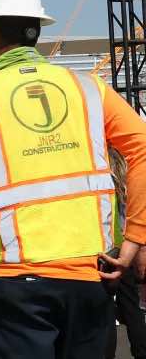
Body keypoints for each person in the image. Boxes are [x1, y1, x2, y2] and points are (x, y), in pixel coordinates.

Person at [0, 0, 146, 359]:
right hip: (91, 273)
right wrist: (133, 240)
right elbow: (142, 151)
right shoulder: (89, 89)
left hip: (14, 278)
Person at [104, 148, 146, 359]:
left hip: (106, 248)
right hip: (126, 248)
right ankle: (141, 352)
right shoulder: (126, 176)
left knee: (104, 310)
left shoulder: (102, 175)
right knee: (131, 307)